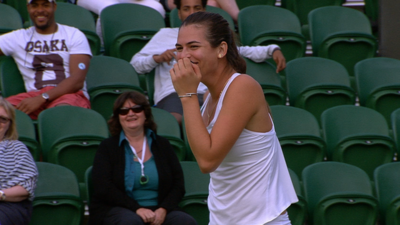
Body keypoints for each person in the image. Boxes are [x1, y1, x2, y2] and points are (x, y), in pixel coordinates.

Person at [170, 12, 298, 224]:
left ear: (221, 49)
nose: (183, 56)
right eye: (179, 48)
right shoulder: (208, 96)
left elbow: (207, 160)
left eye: (193, 47)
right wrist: (190, 96)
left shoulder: (242, 87)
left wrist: (187, 96)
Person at [131, 0, 286, 124]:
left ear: (204, 9)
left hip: (208, 93)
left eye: (196, 7)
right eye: (186, 8)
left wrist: (272, 50)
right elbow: (135, 64)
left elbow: (241, 50)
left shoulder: (210, 38)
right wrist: (156, 58)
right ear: (178, 12)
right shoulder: (165, 35)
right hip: (174, 94)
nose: (191, 13)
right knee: (175, 121)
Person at [88, 91, 197, 225]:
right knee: (130, 222)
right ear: (118, 117)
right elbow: (103, 188)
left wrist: (163, 209)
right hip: (119, 208)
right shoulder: (108, 147)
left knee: (184, 221)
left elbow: (178, 185)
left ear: (145, 114)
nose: (130, 114)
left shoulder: (162, 145)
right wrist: (137, 209)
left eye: (137, 109)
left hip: (159, 209)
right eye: (124, 111)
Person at [0, 0, 92, 120]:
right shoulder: (18, 37)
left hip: (69, 95)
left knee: (59, 114)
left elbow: (77, 80)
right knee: (2, 112)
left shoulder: (73, 34)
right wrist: (38, 98)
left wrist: (43, 97)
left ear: (54, 6)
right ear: (28, 8)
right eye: (34, 6)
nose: (40, 10)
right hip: (33, 96)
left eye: (45, 5)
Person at [0, 98, 39, 225]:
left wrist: (0, 194)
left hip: (6, 206)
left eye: (3, 119)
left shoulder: (16, 148)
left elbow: (26, 186)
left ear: (9, 125)